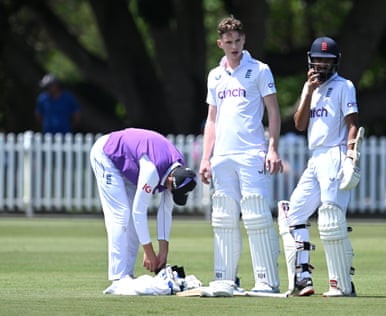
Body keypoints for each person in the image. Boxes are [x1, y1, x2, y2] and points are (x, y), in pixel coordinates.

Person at [199, 16, 283, 293]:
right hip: (222, 156)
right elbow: (212, 120)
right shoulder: (215, 75)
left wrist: (272, 148)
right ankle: (225, 277)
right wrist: (205, 158)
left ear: (244, 40)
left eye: (238, 40)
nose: (233, 46)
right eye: (228, 42)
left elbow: (273, 110)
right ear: (219, 43)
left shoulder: (259, 70)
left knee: (256, 215)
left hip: (251, 153)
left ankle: (266, 281)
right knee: (223, 216)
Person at [278, 36, 362, 297]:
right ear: (311, 60)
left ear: (335, 62)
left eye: (327, 60)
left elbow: (352, 125)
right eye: (318, 59)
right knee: (295, 214)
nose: (322, 64)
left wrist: (351, 156)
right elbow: (300, 124)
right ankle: (303, 278)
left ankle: (341, 283)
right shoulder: (309, 87)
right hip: (315, 157)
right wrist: (308, 92)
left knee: (330, 218)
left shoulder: (344, 86)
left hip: (335, 154)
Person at [89, 128, 197, 293]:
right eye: (171, 189)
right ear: (170, 179)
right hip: (107, 154)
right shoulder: (152, 171)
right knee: (121, 215)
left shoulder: (177, 170)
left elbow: (165, 212)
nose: (170, 192)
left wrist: (163, 250)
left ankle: (127, 275)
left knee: (130, 220)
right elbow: (139, 212)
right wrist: (148, 251)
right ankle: (118, 279)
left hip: (131, 165)